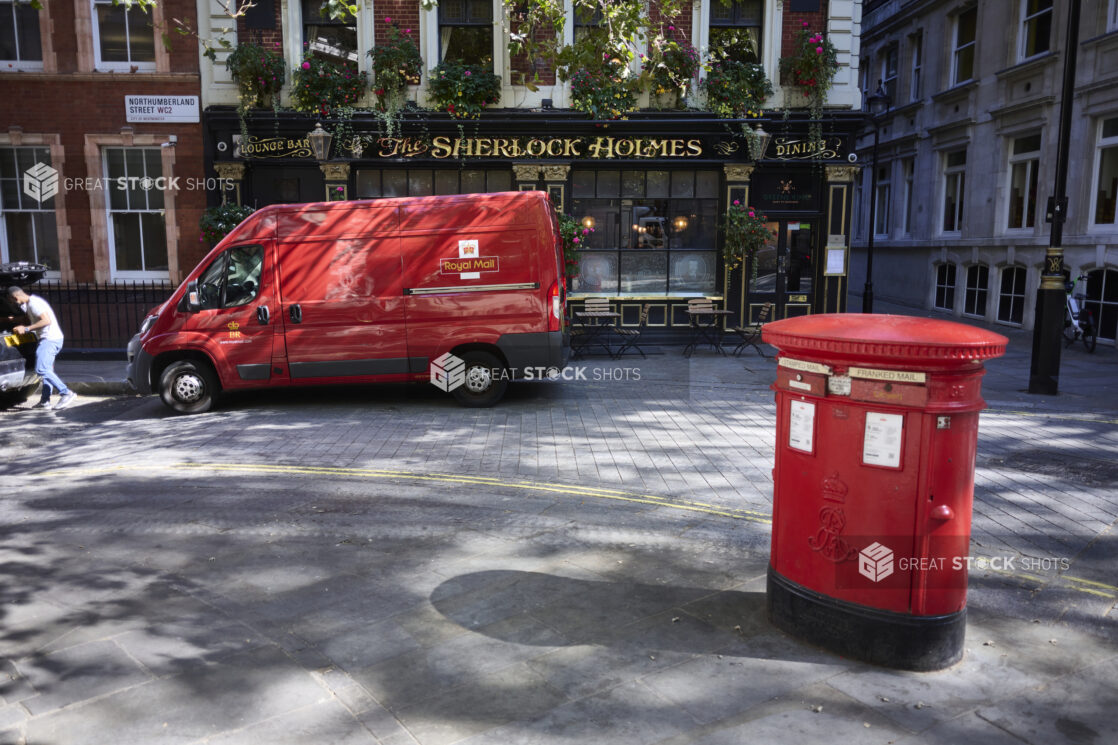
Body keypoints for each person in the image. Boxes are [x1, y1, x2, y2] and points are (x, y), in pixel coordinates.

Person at [6, 286, 76, 410]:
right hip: (51, 338)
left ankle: (66, 393)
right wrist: (10, 320)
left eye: (11, 302)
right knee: (47, 370)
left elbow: (46, 321)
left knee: (41, 369)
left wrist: (26, 329)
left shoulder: (34, 304)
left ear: (15, 297)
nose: (13, 304)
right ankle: (45, 401)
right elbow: (27, 319)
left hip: (49, 339)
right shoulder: (29, 304)